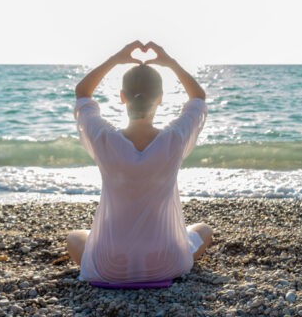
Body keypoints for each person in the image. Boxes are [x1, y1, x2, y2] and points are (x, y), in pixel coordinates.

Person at [66, 40, 213, 283]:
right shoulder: (174, 139)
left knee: (75, 237)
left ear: (122, 97)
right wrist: (170, 62)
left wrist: (116, 58)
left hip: (110, 265)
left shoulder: (104, 138)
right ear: (161, 98)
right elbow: (198, 97)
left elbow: (82, 93)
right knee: (204, 229)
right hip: (167, 263)